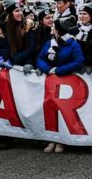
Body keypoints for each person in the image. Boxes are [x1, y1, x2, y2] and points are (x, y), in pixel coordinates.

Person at [0, 0, 37, 149]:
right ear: (9, 13)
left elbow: (31, 48)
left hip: (17, 68)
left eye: (21, 10)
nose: (20, 13)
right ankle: (1, 135)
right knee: (0, 103)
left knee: (15, 102)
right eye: (17, 11)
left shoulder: (26, 26)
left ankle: (12, 136)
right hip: (0, 70)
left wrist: (14, 59)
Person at [37, 16, 86, 154]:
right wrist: (48, 69)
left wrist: (59, 70)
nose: (52, 29)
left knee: (63, 112)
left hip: (66, 82)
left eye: (54, 28)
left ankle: (62, 140)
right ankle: (51, 139)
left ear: (59, 31)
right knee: (50, 110)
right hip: (51, 82)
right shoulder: (49, 43)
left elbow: (78, 61)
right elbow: (40, 58)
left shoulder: (73, 44)